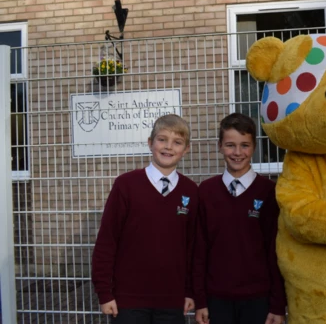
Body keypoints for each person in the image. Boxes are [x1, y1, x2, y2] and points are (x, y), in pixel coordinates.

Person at [92, 114, 199, 324]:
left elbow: (193, 248)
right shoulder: (126, 185)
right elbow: (107, 241)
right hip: (128, 302)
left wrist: (190, 291)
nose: (168, 147)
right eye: (162, 139)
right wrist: (105, 292)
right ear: (150, 143)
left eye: (177, 142)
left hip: (172, 302)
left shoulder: (191, 191)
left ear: (186, 149)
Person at [192, 113, 286, 324]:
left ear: (253, 147)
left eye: (244, 145)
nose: (237, 152)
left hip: (258, 300)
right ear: (219, 146)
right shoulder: (206, 192)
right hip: (216, 300)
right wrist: (200, 301)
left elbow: (276, 250)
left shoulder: (269, 192)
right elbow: (199, 250)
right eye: (230, 145)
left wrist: (278, 304)